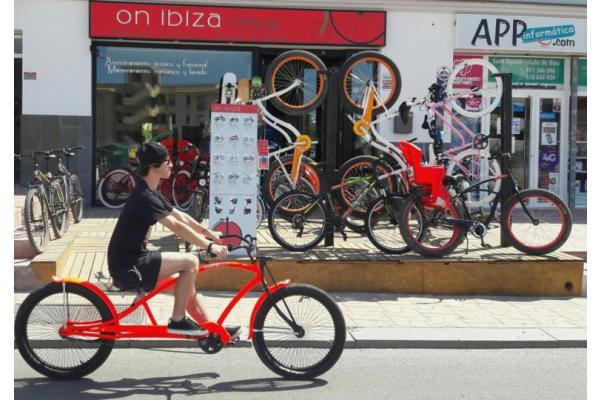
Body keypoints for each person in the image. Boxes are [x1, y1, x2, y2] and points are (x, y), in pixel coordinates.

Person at [107, 142, 240, 338]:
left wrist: (208, 233)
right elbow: (176, 227)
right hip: (129, 266)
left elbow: (180, 216)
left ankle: (214, 333)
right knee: (190, 261)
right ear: (153, 167)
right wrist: (209, 246)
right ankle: (178, 320)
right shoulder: (144, 196)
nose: (171, 165)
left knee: (187, 290)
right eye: (167, 161)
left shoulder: (150, 190)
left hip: (134, 260)